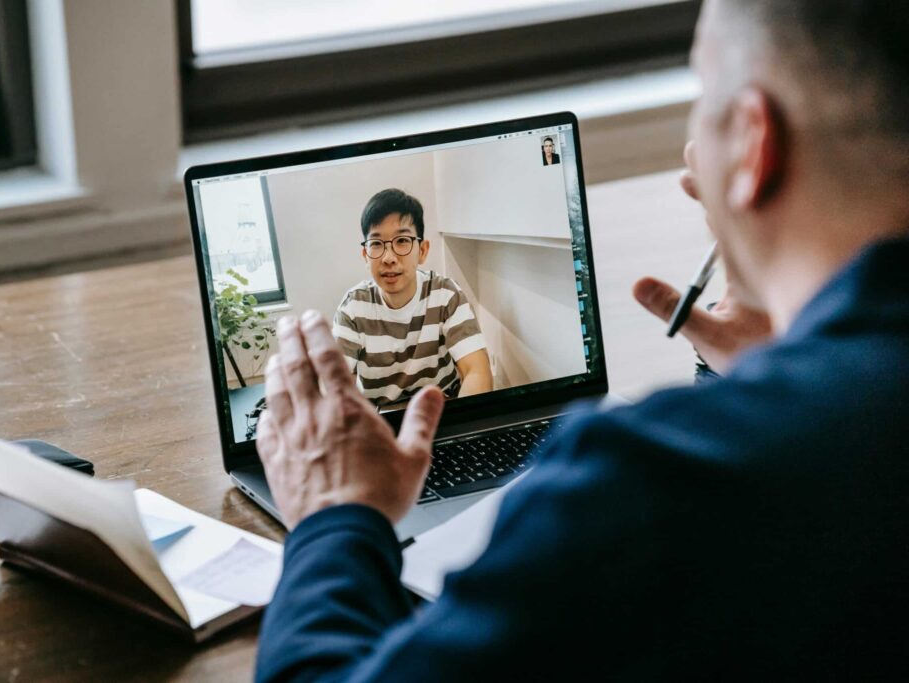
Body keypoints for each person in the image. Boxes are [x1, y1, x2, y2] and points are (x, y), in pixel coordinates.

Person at [255, 0, 909, 679]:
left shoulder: (638, 482)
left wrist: (334, 516)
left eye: (700, 90)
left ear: (750, 142)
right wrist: (777, 376)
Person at [333, 188, 493, 408]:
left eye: (402, 241)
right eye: (377, 244)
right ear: (365, 255)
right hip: (382, 425)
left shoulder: (446, 295)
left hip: (443, 415)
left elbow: (477, 371)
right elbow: (336, 387)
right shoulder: (353, 308)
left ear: (423, 250)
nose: (389, 258)